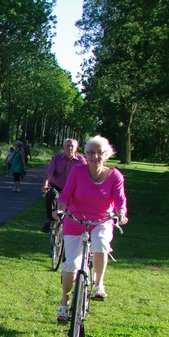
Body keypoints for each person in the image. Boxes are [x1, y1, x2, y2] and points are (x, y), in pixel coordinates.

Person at [55, 135, 128, 323]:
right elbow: (66, 194)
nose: (95, 156)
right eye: (91, 152)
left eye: (100, 153)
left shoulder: (115, 176)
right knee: (71, 265)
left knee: (101, 243)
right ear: (85, 154)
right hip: (75, 220)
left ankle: (98, 284)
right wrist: (60, 210)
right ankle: (64, 302)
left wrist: (121, 214)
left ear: (107, 155)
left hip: (101, 220)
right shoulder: (78, 171)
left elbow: (120, 201)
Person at [40, 138, 86, 233]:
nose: (70, 148)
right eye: (67, 145)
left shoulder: (80, 160)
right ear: (63, 147)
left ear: (76, 148)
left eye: (72, 146)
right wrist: (45, 184)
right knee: (51, 194)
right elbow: (49, 173)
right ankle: (49, 220)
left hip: (72, 188)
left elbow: (85, 175)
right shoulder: (56, 158)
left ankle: (75, 223)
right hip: (57, 186)